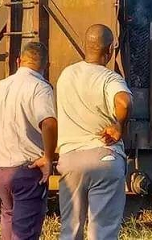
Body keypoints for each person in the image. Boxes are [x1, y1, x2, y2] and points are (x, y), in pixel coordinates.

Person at [0, 42, 57, 240]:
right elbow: (49, 123)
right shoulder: (40, 88)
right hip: (27, 171)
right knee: (25, 232)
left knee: (8, 219)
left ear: (18, 61)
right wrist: (49, 157)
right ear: (46, 65)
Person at [56, 24, 133, 240]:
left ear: (84, 46)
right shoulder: (110, 78)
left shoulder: (66, 75)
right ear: (109, 51)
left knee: (70, 230)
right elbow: (124, 102)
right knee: (103, 231)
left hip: (70, 160)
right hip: (104, 157)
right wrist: (119, 125)